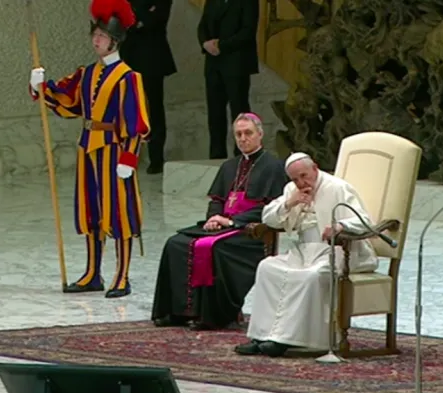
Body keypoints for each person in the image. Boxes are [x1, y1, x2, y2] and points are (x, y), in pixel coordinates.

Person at [29, 0, 149, 298]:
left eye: (102, 36)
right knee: (91, 211)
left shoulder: (128, 78)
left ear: (115, 40)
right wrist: (40, 86)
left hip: (114, 150)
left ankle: (122, 276)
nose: (96, 40)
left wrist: (129, 157)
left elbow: (135, 122)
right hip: (88, 149)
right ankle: (93, 273)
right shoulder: (87, 74)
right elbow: (67, 100)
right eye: (94, 35)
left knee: (119, 214)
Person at [151, 113, 288, 330]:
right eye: (238, 134)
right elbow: (217, 200)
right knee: (175, 243)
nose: (243, 138)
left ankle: (215, 315)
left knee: (214, 249)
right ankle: (176, 312)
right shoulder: (229, 166)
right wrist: (214, 219)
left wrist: (233, 222)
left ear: (260, 134)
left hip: (251, 233)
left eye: (248, 133)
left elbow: (272, 208)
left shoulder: (273, 167)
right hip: (221, 227)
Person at [234, 153, 379, 357]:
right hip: (303, 250)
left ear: (315, 168)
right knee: (267, 267)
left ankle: (285, 340)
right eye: (295, 179)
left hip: (337, 251)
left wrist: (340, 226)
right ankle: (261, 336)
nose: (301, 182)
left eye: (304, 176)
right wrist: (289, 203)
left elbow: (364, 221)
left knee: (310, 276)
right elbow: (268, 218)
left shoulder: (337, 187)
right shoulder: (292, 190)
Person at [119, 0, 177, 174]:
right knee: (128, 107)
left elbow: (155, 22)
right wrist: (141, 14)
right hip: (129, 57)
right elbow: (122, 21)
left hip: (153, 58)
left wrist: (137, 13)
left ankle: (156, 158)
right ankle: (127, 155)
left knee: (154, 108)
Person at [198, 0, 260, 160]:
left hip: (236, 63)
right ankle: (217, 155)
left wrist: (222, 45)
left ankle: (243, 155)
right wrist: (205, 43)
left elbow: (248, 31)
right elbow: (203, 25)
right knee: (215, 113)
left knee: (239, 110)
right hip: (213, 64)